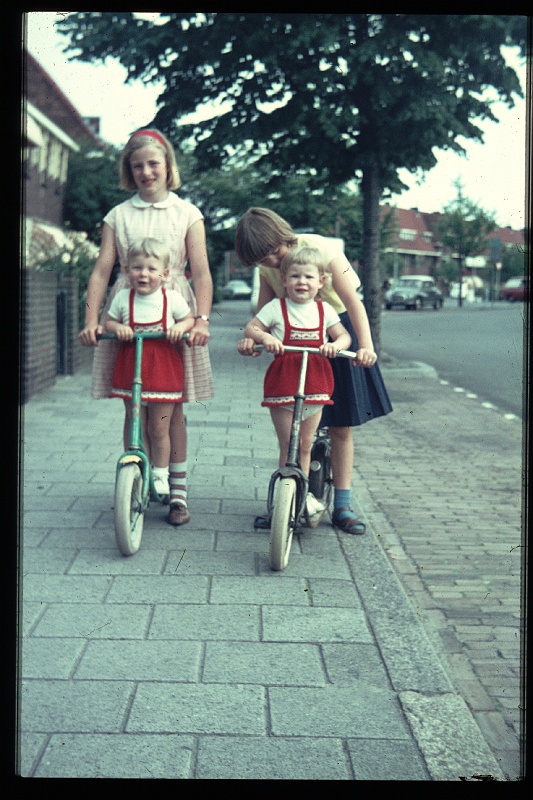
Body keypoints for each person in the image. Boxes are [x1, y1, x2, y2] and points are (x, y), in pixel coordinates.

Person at [78, 128, 213, 526]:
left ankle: (178, 492)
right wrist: (91, 319)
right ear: (128, 170)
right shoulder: (118, 215)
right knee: (133, 405)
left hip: (174, 316)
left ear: (168, 165)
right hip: (128, 312)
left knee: (171, 411)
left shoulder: (187, 213)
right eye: (137, 166)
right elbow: (102, 270)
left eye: (154, 163)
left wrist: (200, 320)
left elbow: (202, 273)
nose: (146, 172)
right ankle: (135, 479)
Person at [236, 207, 392, 534]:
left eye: (276, 252)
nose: (274, 262)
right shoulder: (270, 270)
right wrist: (252, 341)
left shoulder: (321, 248)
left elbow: (353, 301)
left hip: (336, 332)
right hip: (296, 339)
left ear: (284, 237)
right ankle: (285, 504)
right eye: (263, 260)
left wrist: (365, 346)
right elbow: (263, 312)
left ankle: (344, 504)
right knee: (294, 433)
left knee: (342, 425)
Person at [243, 246, 352, 518]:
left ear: (321, 282)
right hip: (283, 382)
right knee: (288, 444)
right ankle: (284, 500)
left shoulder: (324, 310)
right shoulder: (276, 308)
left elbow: (343, 336)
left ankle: (299, 498)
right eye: (294, 276)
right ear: (283, 280)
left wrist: (334, 346)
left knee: (305, 443)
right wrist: (266, 338)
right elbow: (252, 327)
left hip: (315, 382)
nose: (301, 282)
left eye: (308, 277)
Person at [105, 238, 194, 520]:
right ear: (127, 270)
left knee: (159, 428)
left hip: (163, 367)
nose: (143, 274)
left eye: (151, 269)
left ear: (165, 274)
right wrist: (118, 327)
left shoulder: (171, 298)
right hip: (132, 367)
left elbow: (189, 319)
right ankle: (135, 470)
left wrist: (179, 327)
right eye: (137, 268)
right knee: (135, 422)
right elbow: (108, 321)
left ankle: (160, 473)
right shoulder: (123, 298)